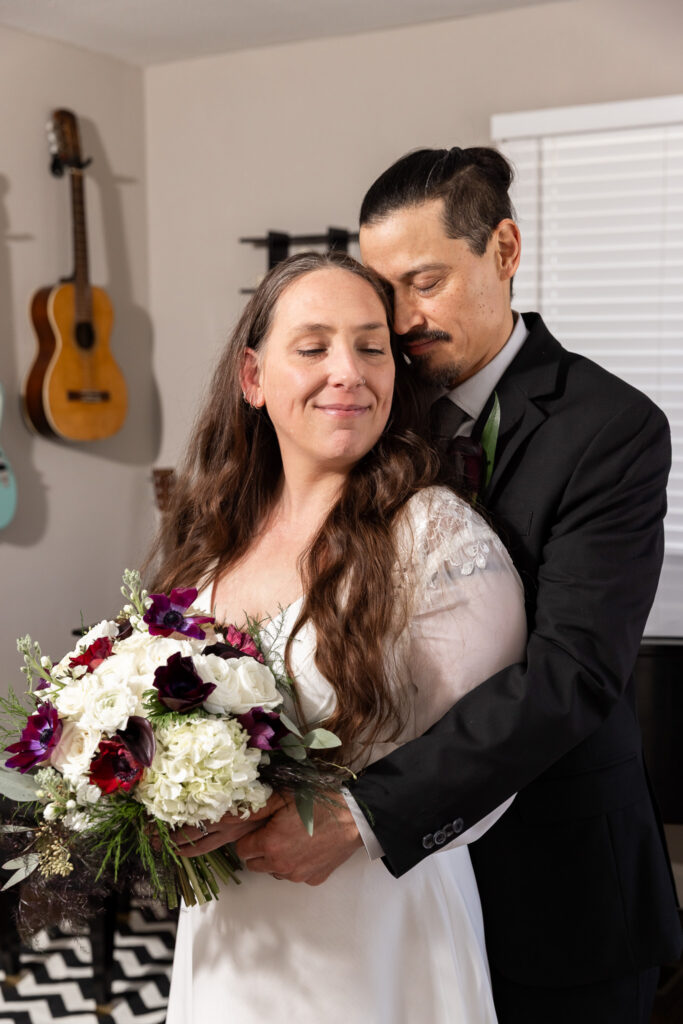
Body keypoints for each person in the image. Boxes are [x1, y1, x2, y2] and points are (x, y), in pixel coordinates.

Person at [232, 149, 683, 1024]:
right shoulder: (368, 402)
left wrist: (364, 816)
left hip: (555, 894)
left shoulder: (612, 427)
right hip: (382, 915)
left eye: (425, 281)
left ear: (504, 249)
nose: (399, 320)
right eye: (383, 291)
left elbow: (573, 675)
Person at [155, 250, 527, 1023]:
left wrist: (351, 823)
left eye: (370, 346)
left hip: (378, 932)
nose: (348, 372)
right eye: (313, 346)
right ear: (253, 378)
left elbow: (491, 757)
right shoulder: (214, 541)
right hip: (233, 932)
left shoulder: (435, 536)